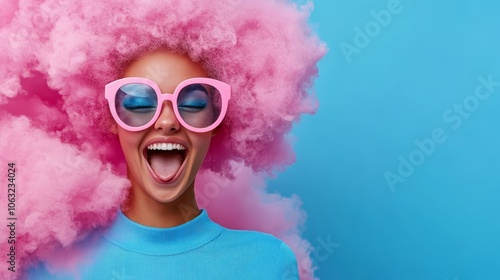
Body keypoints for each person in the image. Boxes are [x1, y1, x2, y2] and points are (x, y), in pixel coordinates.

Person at [0, 0, 326, 279]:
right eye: (140, 103)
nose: (167, 121)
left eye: (193, 103)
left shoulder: (266, 263)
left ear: (217, 121)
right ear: (109, 118)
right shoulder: (50, 264)